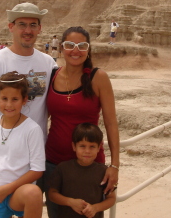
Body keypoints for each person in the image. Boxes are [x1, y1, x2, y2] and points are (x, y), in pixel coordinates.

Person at [0, 2, 56, 196]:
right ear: (11, 27)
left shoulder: (48, 63)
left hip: (34, 158)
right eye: (22, 24)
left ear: (40, 28)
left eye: (33, 25)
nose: (28, 30)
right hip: (2, 161)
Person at [44, 26, 120, 218]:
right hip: (54, 163)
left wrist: (115, 165)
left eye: (81, 45)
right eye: (70, 45)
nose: (75, 50)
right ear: (61, 48)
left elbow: (111, 123)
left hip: (90, 165)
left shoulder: (98, 77)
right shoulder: (51, 76)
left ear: (88, 50)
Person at [0, 71, 45, 218]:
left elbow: (37, 170)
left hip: (17, 194)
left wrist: (9, 188)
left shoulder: (32, 129)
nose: (9, 104)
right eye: (4, 98)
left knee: (34, 193)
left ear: (24, 100)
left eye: (15, 99)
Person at [48, 123, 116, 218]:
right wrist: (70, 202)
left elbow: (111, 198)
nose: (87, 151)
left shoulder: (104, 172)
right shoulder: (62, 168)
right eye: (82, 146)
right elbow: (52, 194)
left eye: (92, 146)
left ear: (99, 147)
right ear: (74, 146)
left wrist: (95, 208)